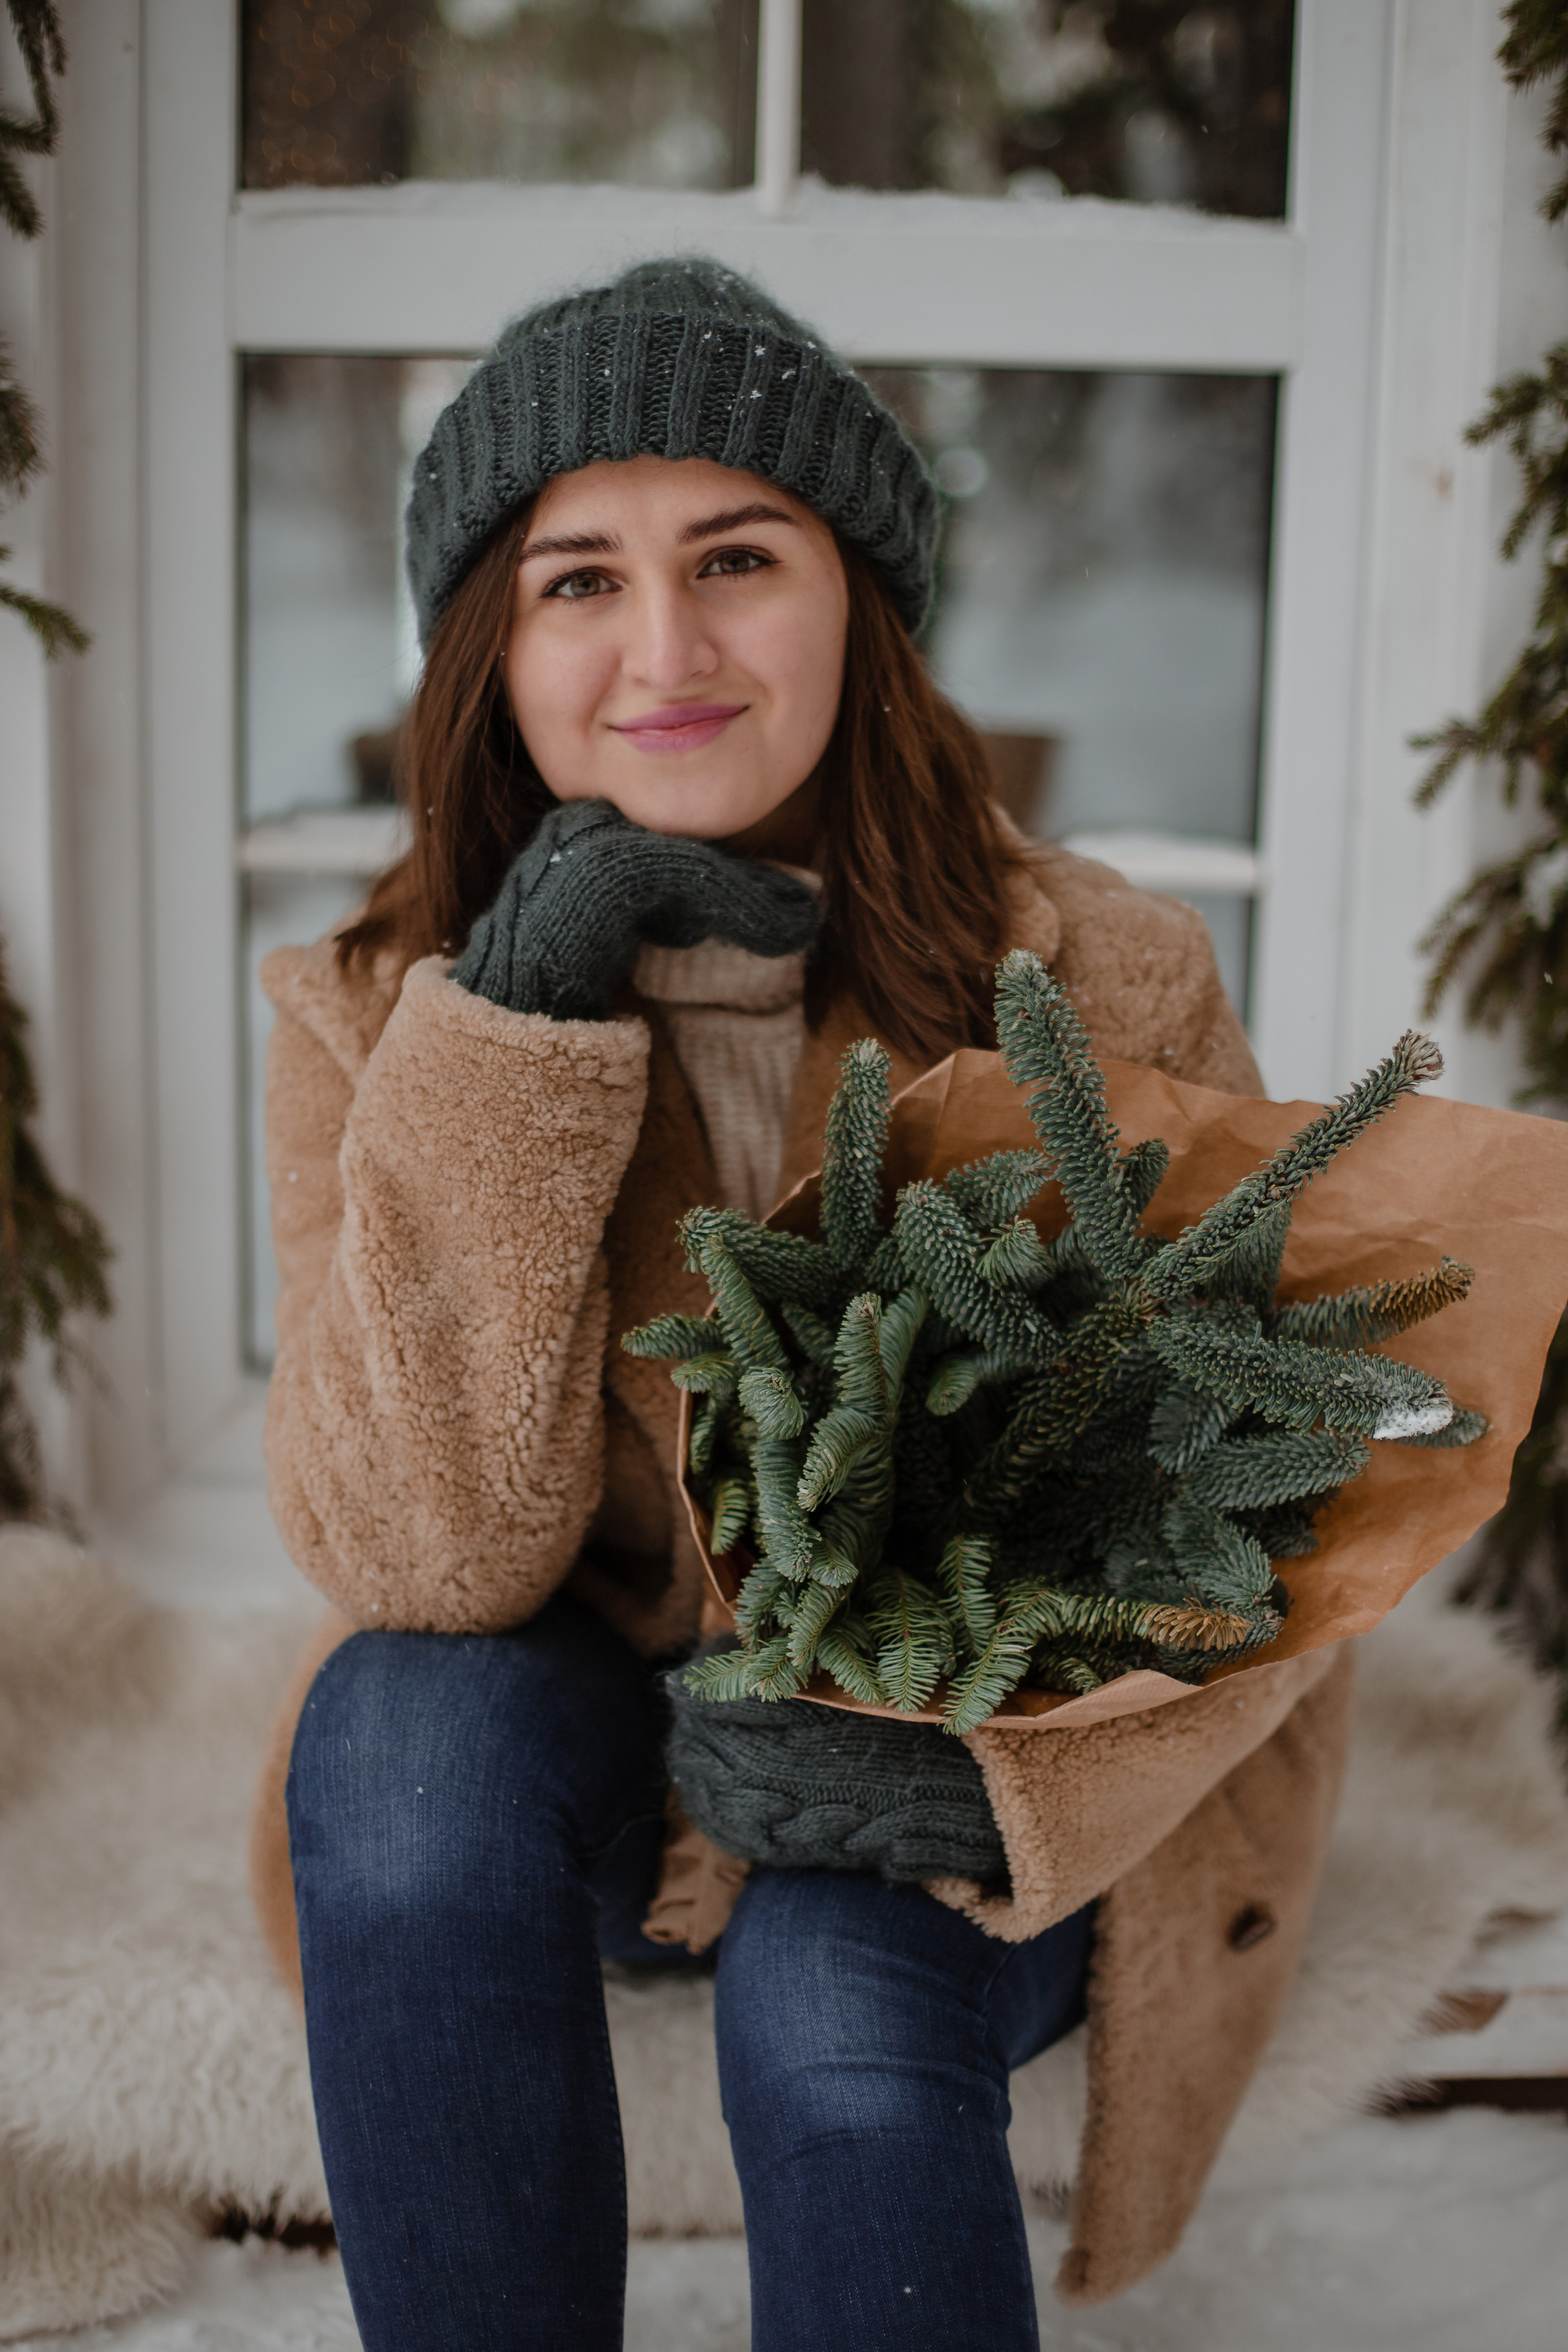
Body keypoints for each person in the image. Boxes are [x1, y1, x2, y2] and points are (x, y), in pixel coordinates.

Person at [248, 258, 1354, 2352]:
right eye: (577, 579)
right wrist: (521, 1026)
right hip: (563, 1756)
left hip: (955, 1774)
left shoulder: (1099, 980)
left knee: (836, 1988)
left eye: (737, 555)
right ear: (491, 646)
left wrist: (1024, 1777)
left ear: (860, 598)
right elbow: (421, 1550)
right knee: (393, 1740)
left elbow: (1271, 1504)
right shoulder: (380, 1009)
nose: (662, 648)